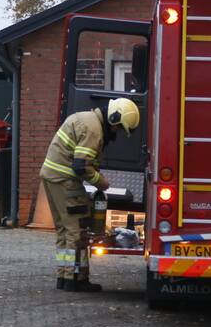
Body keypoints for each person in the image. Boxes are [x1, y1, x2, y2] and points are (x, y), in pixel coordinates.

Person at [40, 97, 139, 292]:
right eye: (119, 128)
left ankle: (64, 275)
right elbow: (80, 166)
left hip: (53, 178)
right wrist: (102, 183)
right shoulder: (94, 129)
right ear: (113, 118)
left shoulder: (86, 119)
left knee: (64, 230)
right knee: (78, 231)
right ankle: (75, 279)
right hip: (65, 180)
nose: (116, 133)